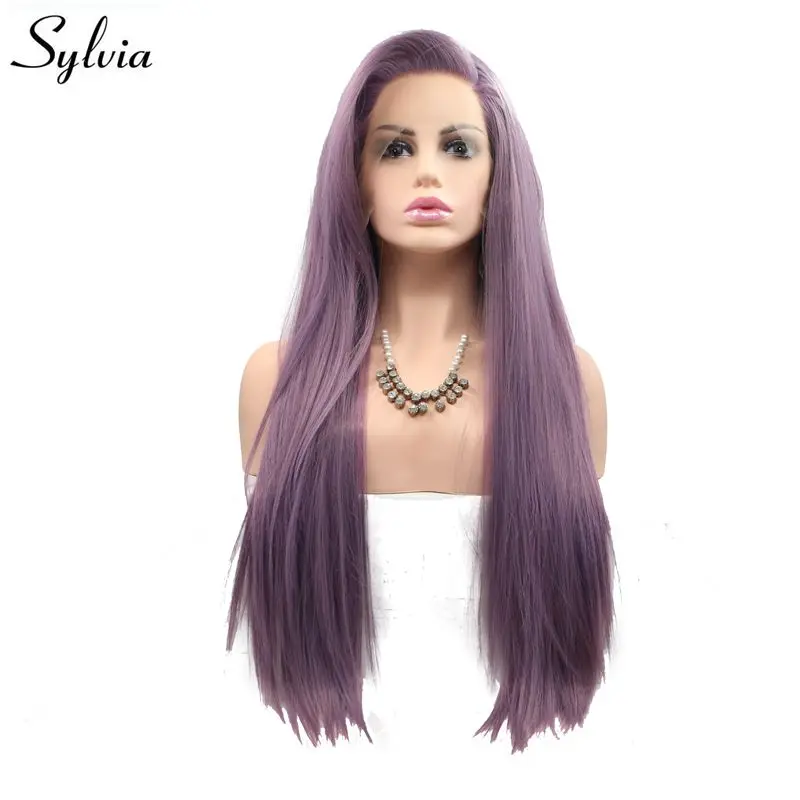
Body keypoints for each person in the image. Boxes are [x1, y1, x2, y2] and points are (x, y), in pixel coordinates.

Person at [226, 28, 614, 760]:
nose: (427, 172)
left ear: (499, 179)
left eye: (458, 147)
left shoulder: (569, 388)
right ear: (355, 179)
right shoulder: (276, 382)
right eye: (396, 149)